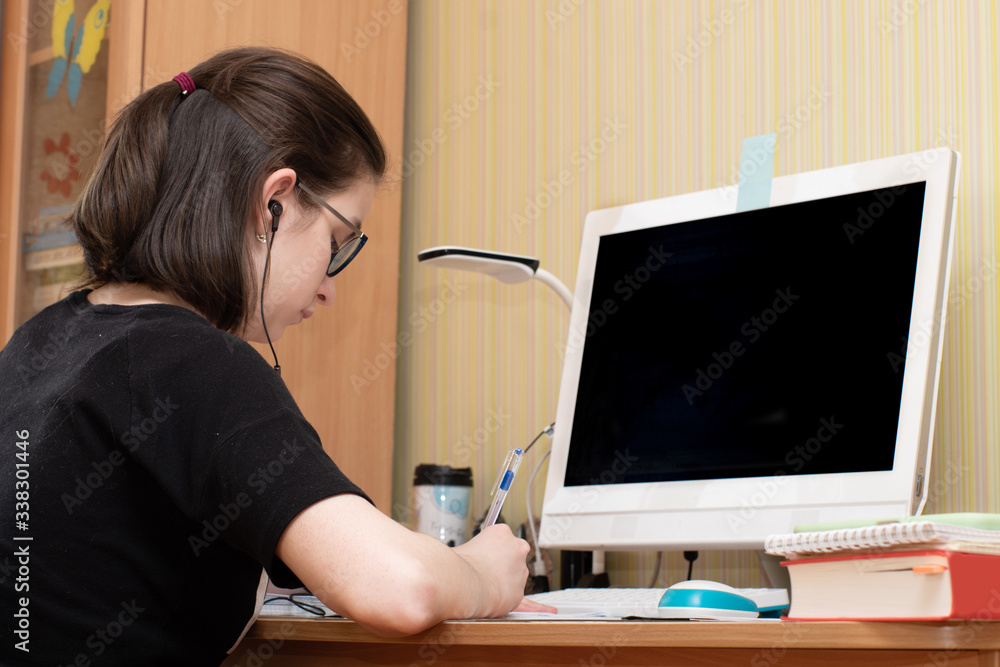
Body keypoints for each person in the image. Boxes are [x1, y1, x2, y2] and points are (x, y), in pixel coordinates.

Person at [0, 47, 548, 666]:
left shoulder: (41, 340)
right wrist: (479, 571)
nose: (329, 286)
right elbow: (401, 588)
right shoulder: (192, 359)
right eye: (338, 242)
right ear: (272, 203)